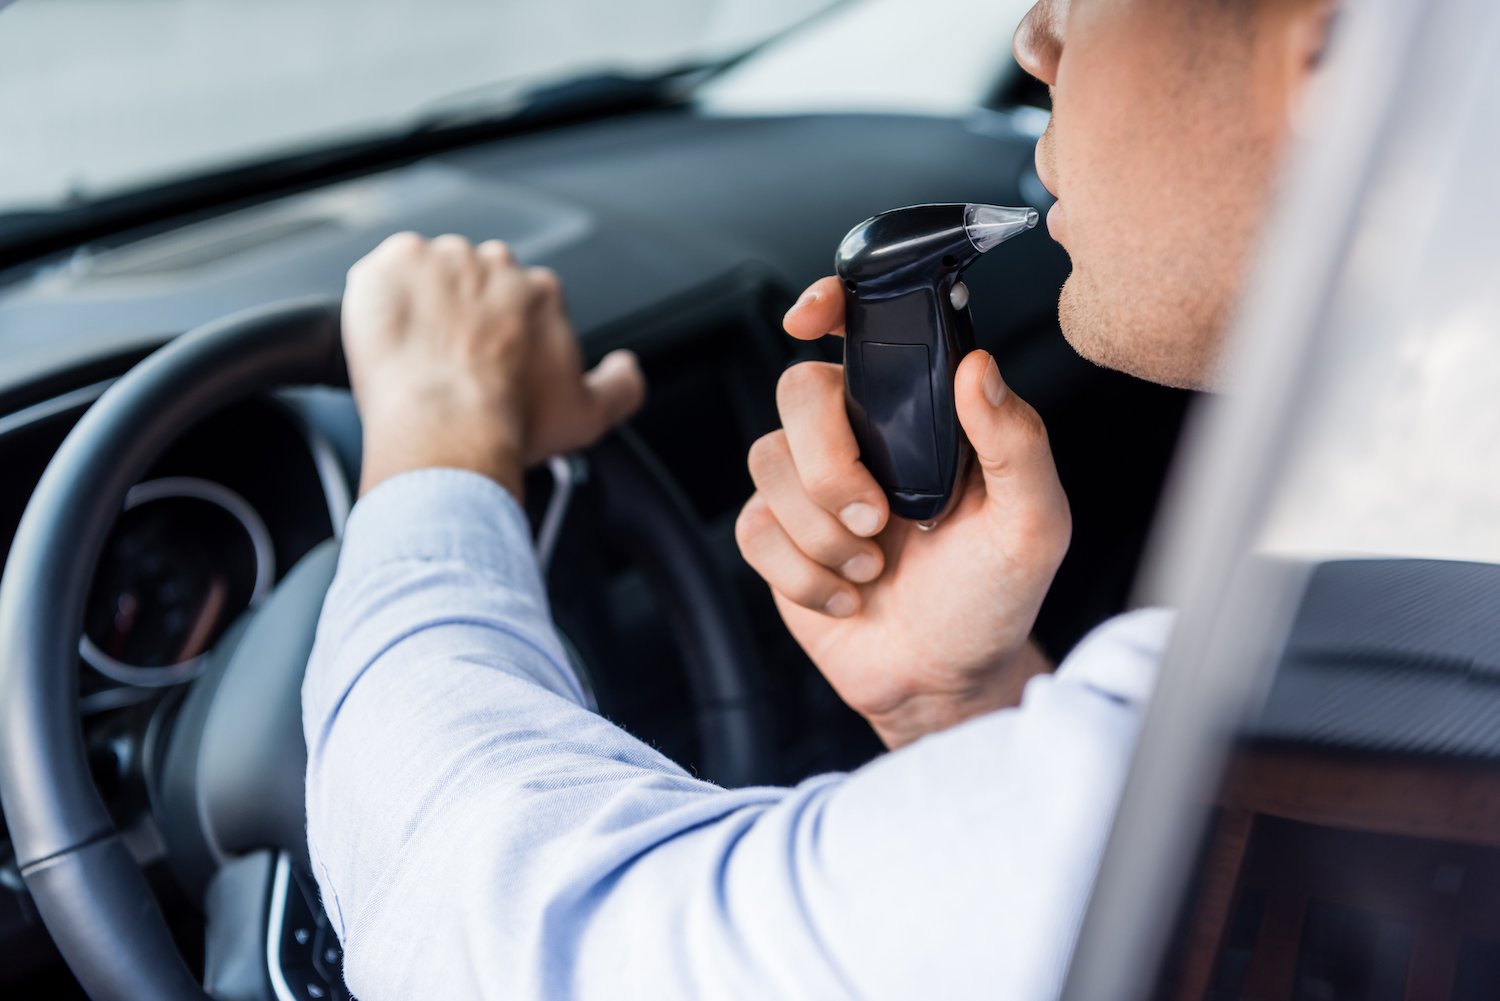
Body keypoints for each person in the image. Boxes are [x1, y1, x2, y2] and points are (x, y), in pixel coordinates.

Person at [303, 0, 1340, 997]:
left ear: (1332, 63)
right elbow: (1250, 943)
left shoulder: (1271, 700)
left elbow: (519, 941)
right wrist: (962, 703)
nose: (1035, 36)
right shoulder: (1377, 632)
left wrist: (439, 436)